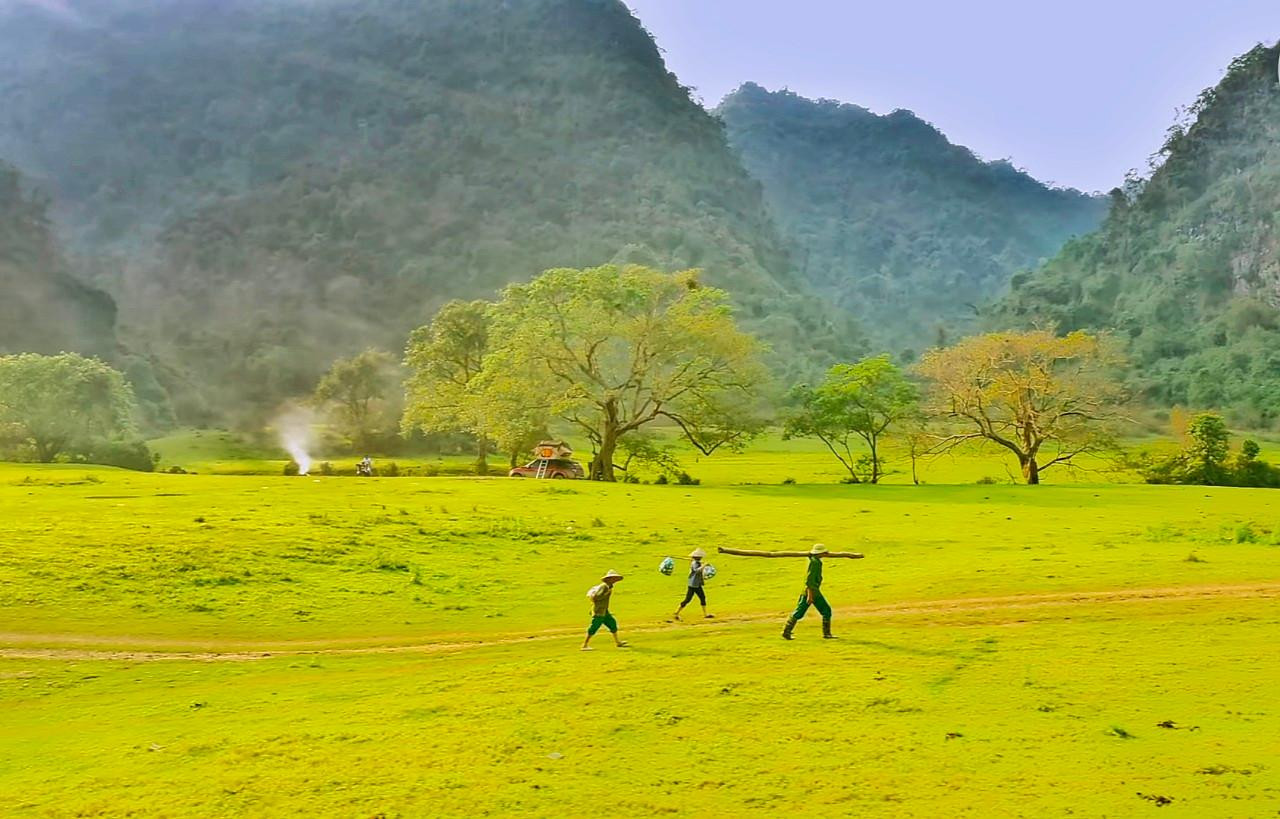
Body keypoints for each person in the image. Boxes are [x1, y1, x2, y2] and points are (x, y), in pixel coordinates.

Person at [717, 543, 864, 640]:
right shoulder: (814, 563)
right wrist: (810, 596)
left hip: (812, 590)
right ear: (822, 553)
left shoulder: (815, 560)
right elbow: (809, 581)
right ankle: (788, 632)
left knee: (824, 611)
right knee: (806, 612)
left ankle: (824, 634)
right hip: (811, 591)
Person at [582, 569, 628, 650]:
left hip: (604, 610)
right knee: (594, 627)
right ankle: (584, 645)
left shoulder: (609, 586)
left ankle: (618, 642)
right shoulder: (604, 587)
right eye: (613, 578)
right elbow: (596, 597)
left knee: (612, 624)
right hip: (599, 611)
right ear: (609, 579)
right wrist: (606, 594)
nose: (615, 580)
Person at [673, 548, 713, 620]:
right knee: (688, 599)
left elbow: (700, 568)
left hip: (696, 584)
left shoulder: (697, 563)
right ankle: (677, 612)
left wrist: (704, 565)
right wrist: (704, 565)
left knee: (702, 597)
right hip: (693, 584)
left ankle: (705, 614)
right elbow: (697, 571)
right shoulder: (694, 563)